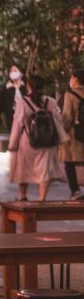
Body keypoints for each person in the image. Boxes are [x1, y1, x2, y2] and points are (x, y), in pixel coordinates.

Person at [8, 74, 68, 201]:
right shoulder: (50, 101)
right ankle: (41, 199)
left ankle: (23, 196)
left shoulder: (23, 102)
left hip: (28, 140)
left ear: (28, 86)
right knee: (44, 170)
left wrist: (13, 144)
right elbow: (59, 120)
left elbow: (17, 123)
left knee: (23, 167)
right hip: (47, 141)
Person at [60, 69, 84, 201]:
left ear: (75, 79)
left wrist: (62, 131)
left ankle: (75, 190)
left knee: (69, 163)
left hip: (75, 135)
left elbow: (67, 116)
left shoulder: (69, 95)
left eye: (71, 77)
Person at [0, 64, 27, 132]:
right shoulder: (7, 88)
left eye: (15, 70)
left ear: (21, 73)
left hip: (26, 119)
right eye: (11, 71)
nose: (12, 72)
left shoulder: (26, 87)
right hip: (12, 119)